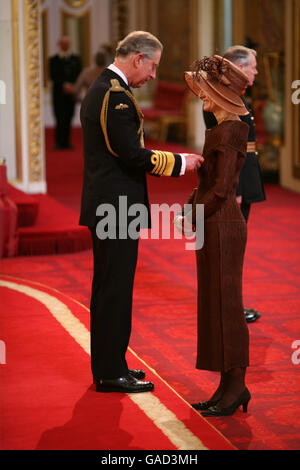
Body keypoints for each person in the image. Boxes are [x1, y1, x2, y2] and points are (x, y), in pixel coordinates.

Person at [79, 31, 203, 394]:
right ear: (137, 58)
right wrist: (182, 162)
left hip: (112, 205)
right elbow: (132, 155)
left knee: (112, 288)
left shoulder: (109, 89)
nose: (153, 74)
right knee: (114, 289)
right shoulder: (113, 95)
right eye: (153, 66)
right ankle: (108, 372)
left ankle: (113, 364)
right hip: (113, 208)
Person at [176, 55, 251, 416]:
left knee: (228, 307)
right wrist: (190, 207)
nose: (201, 98)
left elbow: (222, 190)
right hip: (213, 224)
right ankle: (225, 386)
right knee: (214, 305)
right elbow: (208, 184)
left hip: (223, 225)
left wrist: (191, 213)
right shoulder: (219, 128)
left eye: (206, 92)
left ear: (221, 95)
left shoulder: (233, 128)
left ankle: (236, 387)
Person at [203, 46, 266, 323]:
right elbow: (229, 149)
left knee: (233, 249)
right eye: (252, 66)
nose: (256, 71)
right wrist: (236, 190)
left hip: (243, 180)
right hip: (235, 183)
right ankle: (228, 309)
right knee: (229, 250)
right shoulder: (225, 99)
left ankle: (230, 306)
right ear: (239, 68)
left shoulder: (232, 96)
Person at [49, 36, 82, 149]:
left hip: (70, 94)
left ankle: (66, 142)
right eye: (63, 43)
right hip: (58, 94)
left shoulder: (75, 59)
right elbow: (53, 75)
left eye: (67, 43)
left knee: (69, 116)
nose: (65, 45)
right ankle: (58, 142)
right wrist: (64, 84)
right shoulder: (53, 60)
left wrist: (72, 86)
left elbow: (79, 74)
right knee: (59, 117)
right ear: (59, 45)